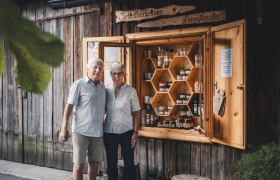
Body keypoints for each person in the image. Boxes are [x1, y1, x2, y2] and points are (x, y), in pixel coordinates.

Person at [59, 58, 106, 180]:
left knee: (94, 163)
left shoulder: (102, 87)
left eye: (100, 68)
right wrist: (64, 127)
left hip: (98, 132)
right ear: (88, 69)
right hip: (81, 131)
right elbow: (69, 106)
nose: (97, 70)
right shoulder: (79, 84)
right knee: (78, 165)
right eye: (94, 67)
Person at [104, 62, 141, 180]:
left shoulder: (131, 91)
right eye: (113, 73)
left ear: (124, 74)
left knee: (129, 163)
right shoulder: (106, 91)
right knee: (111, 163)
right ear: (110, 75)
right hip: (109, 132)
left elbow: (137, 112)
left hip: (127, 132)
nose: (116, 76)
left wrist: (135, 132)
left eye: (119, 73)